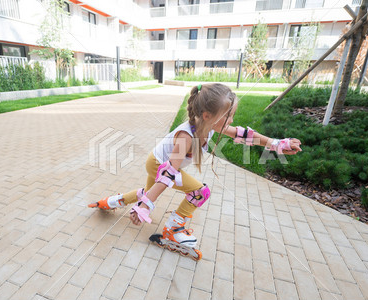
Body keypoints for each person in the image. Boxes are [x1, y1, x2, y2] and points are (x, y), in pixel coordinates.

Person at [89, 83, 302, 260]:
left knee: (147, 192)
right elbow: (168, 174)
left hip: (155, 161)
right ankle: (172, 230)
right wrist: (145, 206)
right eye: (228, 116)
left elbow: (243, 135)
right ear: (208, 115)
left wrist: (277, 144)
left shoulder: (209, 124)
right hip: (159, 166)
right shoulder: (186, 137)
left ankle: (110, 202)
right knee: (200, 192)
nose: (231, 121)